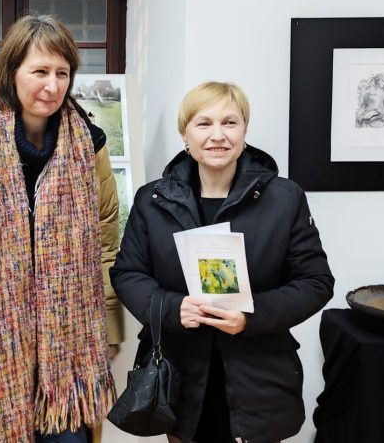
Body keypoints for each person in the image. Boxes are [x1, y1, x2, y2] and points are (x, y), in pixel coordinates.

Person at [0, 13, 123, 442]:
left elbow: (105, 244)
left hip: (69, 339)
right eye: (39, 72)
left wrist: (109, 328)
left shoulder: (89, 146)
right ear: (11, 72)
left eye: (62, 73)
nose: (51, 86)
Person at [110, 82, 334, 442]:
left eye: (230, 122)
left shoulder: (285, 198)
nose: (218, 135)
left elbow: (315, 282)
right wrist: (172, 308)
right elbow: (127, 273)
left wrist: (250, 316)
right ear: (185, 134)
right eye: (204, 123)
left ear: (244, 131)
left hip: (258, 377)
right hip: (179, 376)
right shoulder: (152, 200)